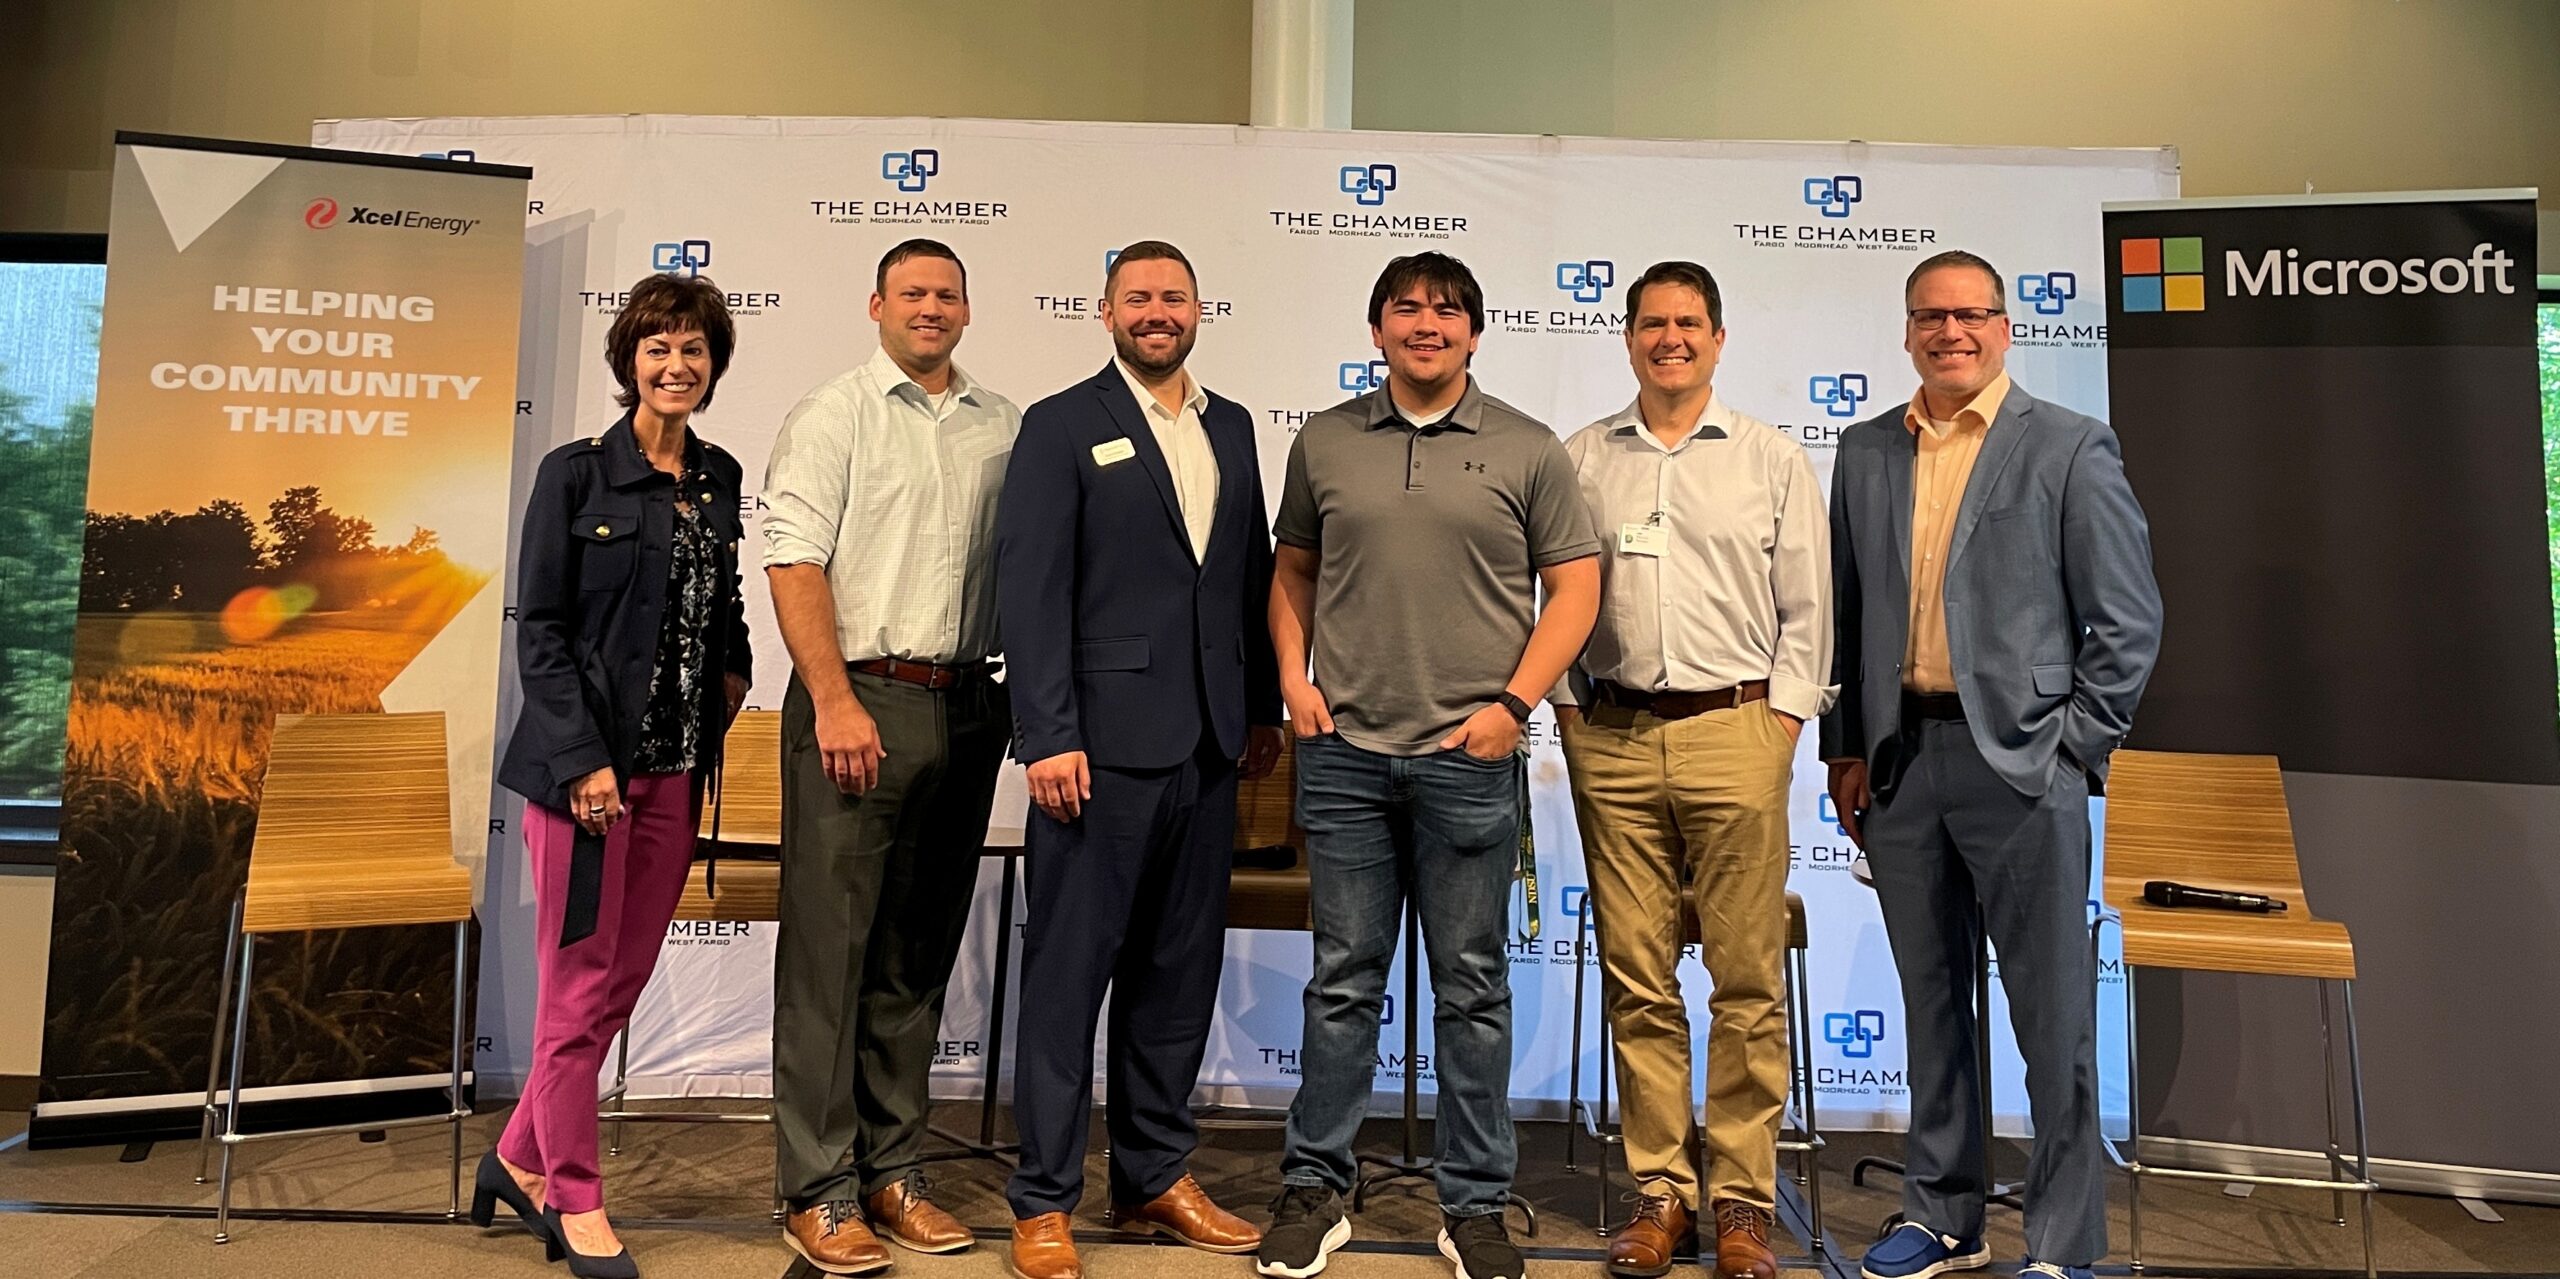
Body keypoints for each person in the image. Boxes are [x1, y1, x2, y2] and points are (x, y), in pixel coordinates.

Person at [1258, 252, 1602, 1279]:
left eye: (1445, 311)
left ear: (1474, 334)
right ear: (1376, 330)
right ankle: (1316, 1187)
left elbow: (1575, 590)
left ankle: (1476, 1205)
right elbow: (1293, 570)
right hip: (1347, 756)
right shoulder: (1324, 442)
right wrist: (1294, 678)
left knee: (1472, 988)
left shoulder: (1528, 448)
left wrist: (1511, 706)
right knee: (1340, 983)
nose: (1425, 324)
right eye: (1405, 308)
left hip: (1469, 757)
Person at [1822, 251, 2162, 1279]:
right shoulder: (1866, 448)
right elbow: (1848, 611)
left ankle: (2063, 1245)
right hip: (1901, 765)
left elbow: (2129, 622)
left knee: (2053, 1018)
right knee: (1931, 1005)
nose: (1950, 332)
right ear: (1908, 330)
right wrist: (1846, 749)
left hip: (2022, 766)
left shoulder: (2067, 447)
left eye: (1970, 315)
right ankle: (1942, 1214)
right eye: (1930, 316)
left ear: (2005, 327)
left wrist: (2074, 751)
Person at [995, 239, 1286, 1279]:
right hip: (1097, 752)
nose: (1157, 312)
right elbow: (1029, 592)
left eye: (1173, 297)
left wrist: (1257, 711)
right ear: (1105, 310)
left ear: (1199, 309)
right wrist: (1049, 732)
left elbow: (1245, 578)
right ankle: (1043, 1198)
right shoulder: (1061, 424)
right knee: (1069, 979)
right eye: (1138, 298)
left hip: (1210, 746)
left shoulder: (1233, 425)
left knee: (1176, 974)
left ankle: (1154, 1175)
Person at [1550, 261, 1831, 1279]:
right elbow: (1558, 600)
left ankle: (1743, 1201)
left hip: (1736, 732)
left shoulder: (1769, 458)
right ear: (1627, 338)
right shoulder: (1582, 459)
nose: (1669, 338)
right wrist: (1571, 710)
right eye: (1651, 323)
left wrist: (1781, 724)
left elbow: (1808, 610)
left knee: (1747, 977)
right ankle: (1658, 1192)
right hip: (1613, 738)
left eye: (1688, 323)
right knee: (1638, 976)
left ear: (1718, 338)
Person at [484, 271, 752, 1279]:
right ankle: (575, 1196)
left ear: (713, 365)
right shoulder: (574, 476)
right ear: (628, 362)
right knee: (578, 983)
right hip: (586, 782)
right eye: (658, 349)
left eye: (693, 350)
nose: (676, 365)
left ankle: (514, 1156)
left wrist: (734, 675)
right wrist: (585, 760)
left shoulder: (718, 475)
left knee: (620, 984)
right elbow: (542, 634)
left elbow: (718, 607)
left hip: (677, 775)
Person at [762, 239, 1020, 1276]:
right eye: (910, 292)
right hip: (856, 700)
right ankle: (816, 1188)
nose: (929, 307)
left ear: (967, 308)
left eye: (946, 293)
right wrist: (831, 698)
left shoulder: (1004, 426)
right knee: (833, 959)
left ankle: (892, 1170)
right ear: (875, 304)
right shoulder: (834, 415)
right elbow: (793, 560)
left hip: (965, 708)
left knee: (914, 958)